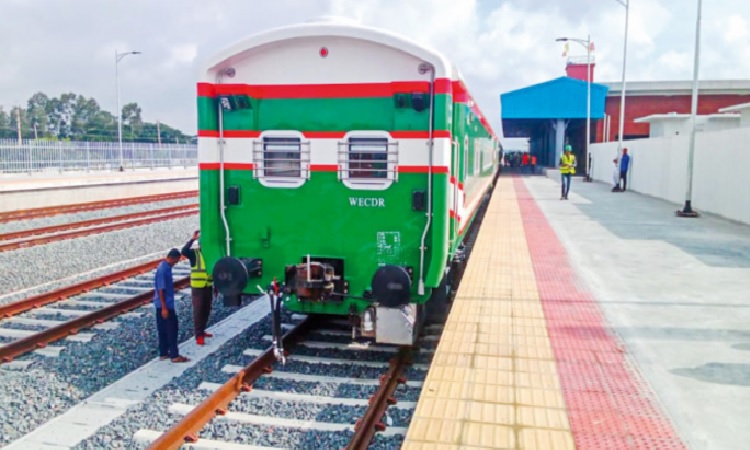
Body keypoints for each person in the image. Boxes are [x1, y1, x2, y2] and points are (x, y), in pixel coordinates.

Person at [154, 248, 190, 363]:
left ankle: (163, 353)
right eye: (176, 261)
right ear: (172, 258)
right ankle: (174, 356)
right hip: (165, 305)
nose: (176, 263)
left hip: (162, 304)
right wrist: (164, 307)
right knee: (172, 329)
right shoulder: (163, 269)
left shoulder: (165, 267)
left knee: (163, 329)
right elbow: (161, 289)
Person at [182, 230, 214, 346]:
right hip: (198, 287)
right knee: (198, 311)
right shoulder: (194, 254)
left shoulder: (212, 255)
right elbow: (184, 251)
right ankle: (198, 335)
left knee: (206, 309)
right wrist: (192, 239)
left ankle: (202, 330)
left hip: (208, 286)